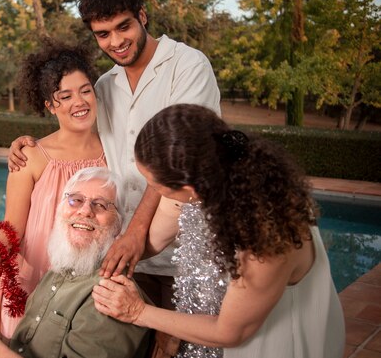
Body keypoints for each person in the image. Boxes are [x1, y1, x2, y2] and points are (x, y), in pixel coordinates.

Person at [7, 0, 220, 309]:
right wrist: (30, 143)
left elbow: (178, 160)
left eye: (124, 26)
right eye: (103, 34)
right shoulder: (104, 86)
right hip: (120, 257)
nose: (116, 41)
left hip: (184, 253)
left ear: (143, 16)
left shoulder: (188, 66)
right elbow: (76, 126)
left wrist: (137, 233)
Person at [92, 104, 346, 358]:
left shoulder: (265, 233)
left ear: (190, 189)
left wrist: (137, 312)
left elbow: (230, 332)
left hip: (275, 341)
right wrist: (95, 256)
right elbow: (151, 241)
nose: (153, 191)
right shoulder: (202, 175)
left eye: (156, 185)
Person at [0, 41, 106, 339]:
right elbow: (12, 229)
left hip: (88, 291)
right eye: (65, 95)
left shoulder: (113, 154)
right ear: (49, 105)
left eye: (85, 90)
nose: (80, 102)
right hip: (32, 284)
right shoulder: (30, 156)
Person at [0, 167, 152, 358]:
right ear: (60, 209)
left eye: (100, 205)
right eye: (75, 200)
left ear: (119, 224)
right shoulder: (59, 271)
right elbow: (24, 350)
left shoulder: (112, 295)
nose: (85, 211)